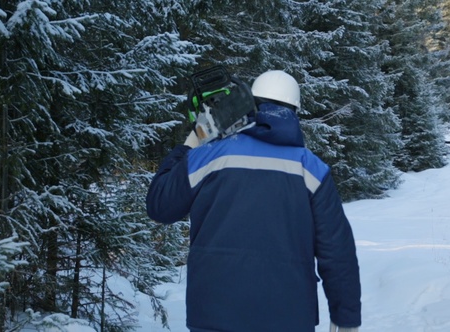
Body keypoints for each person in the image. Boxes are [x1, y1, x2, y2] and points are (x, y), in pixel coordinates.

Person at [146, 70, 361, 332]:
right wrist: (345, 318)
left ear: (250, 103)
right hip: (289, 317)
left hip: (213, 315)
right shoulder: (311, 169)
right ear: (295, 112)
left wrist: (190, 145)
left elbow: (160, 206)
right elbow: (337, 250)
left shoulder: (208, 157)